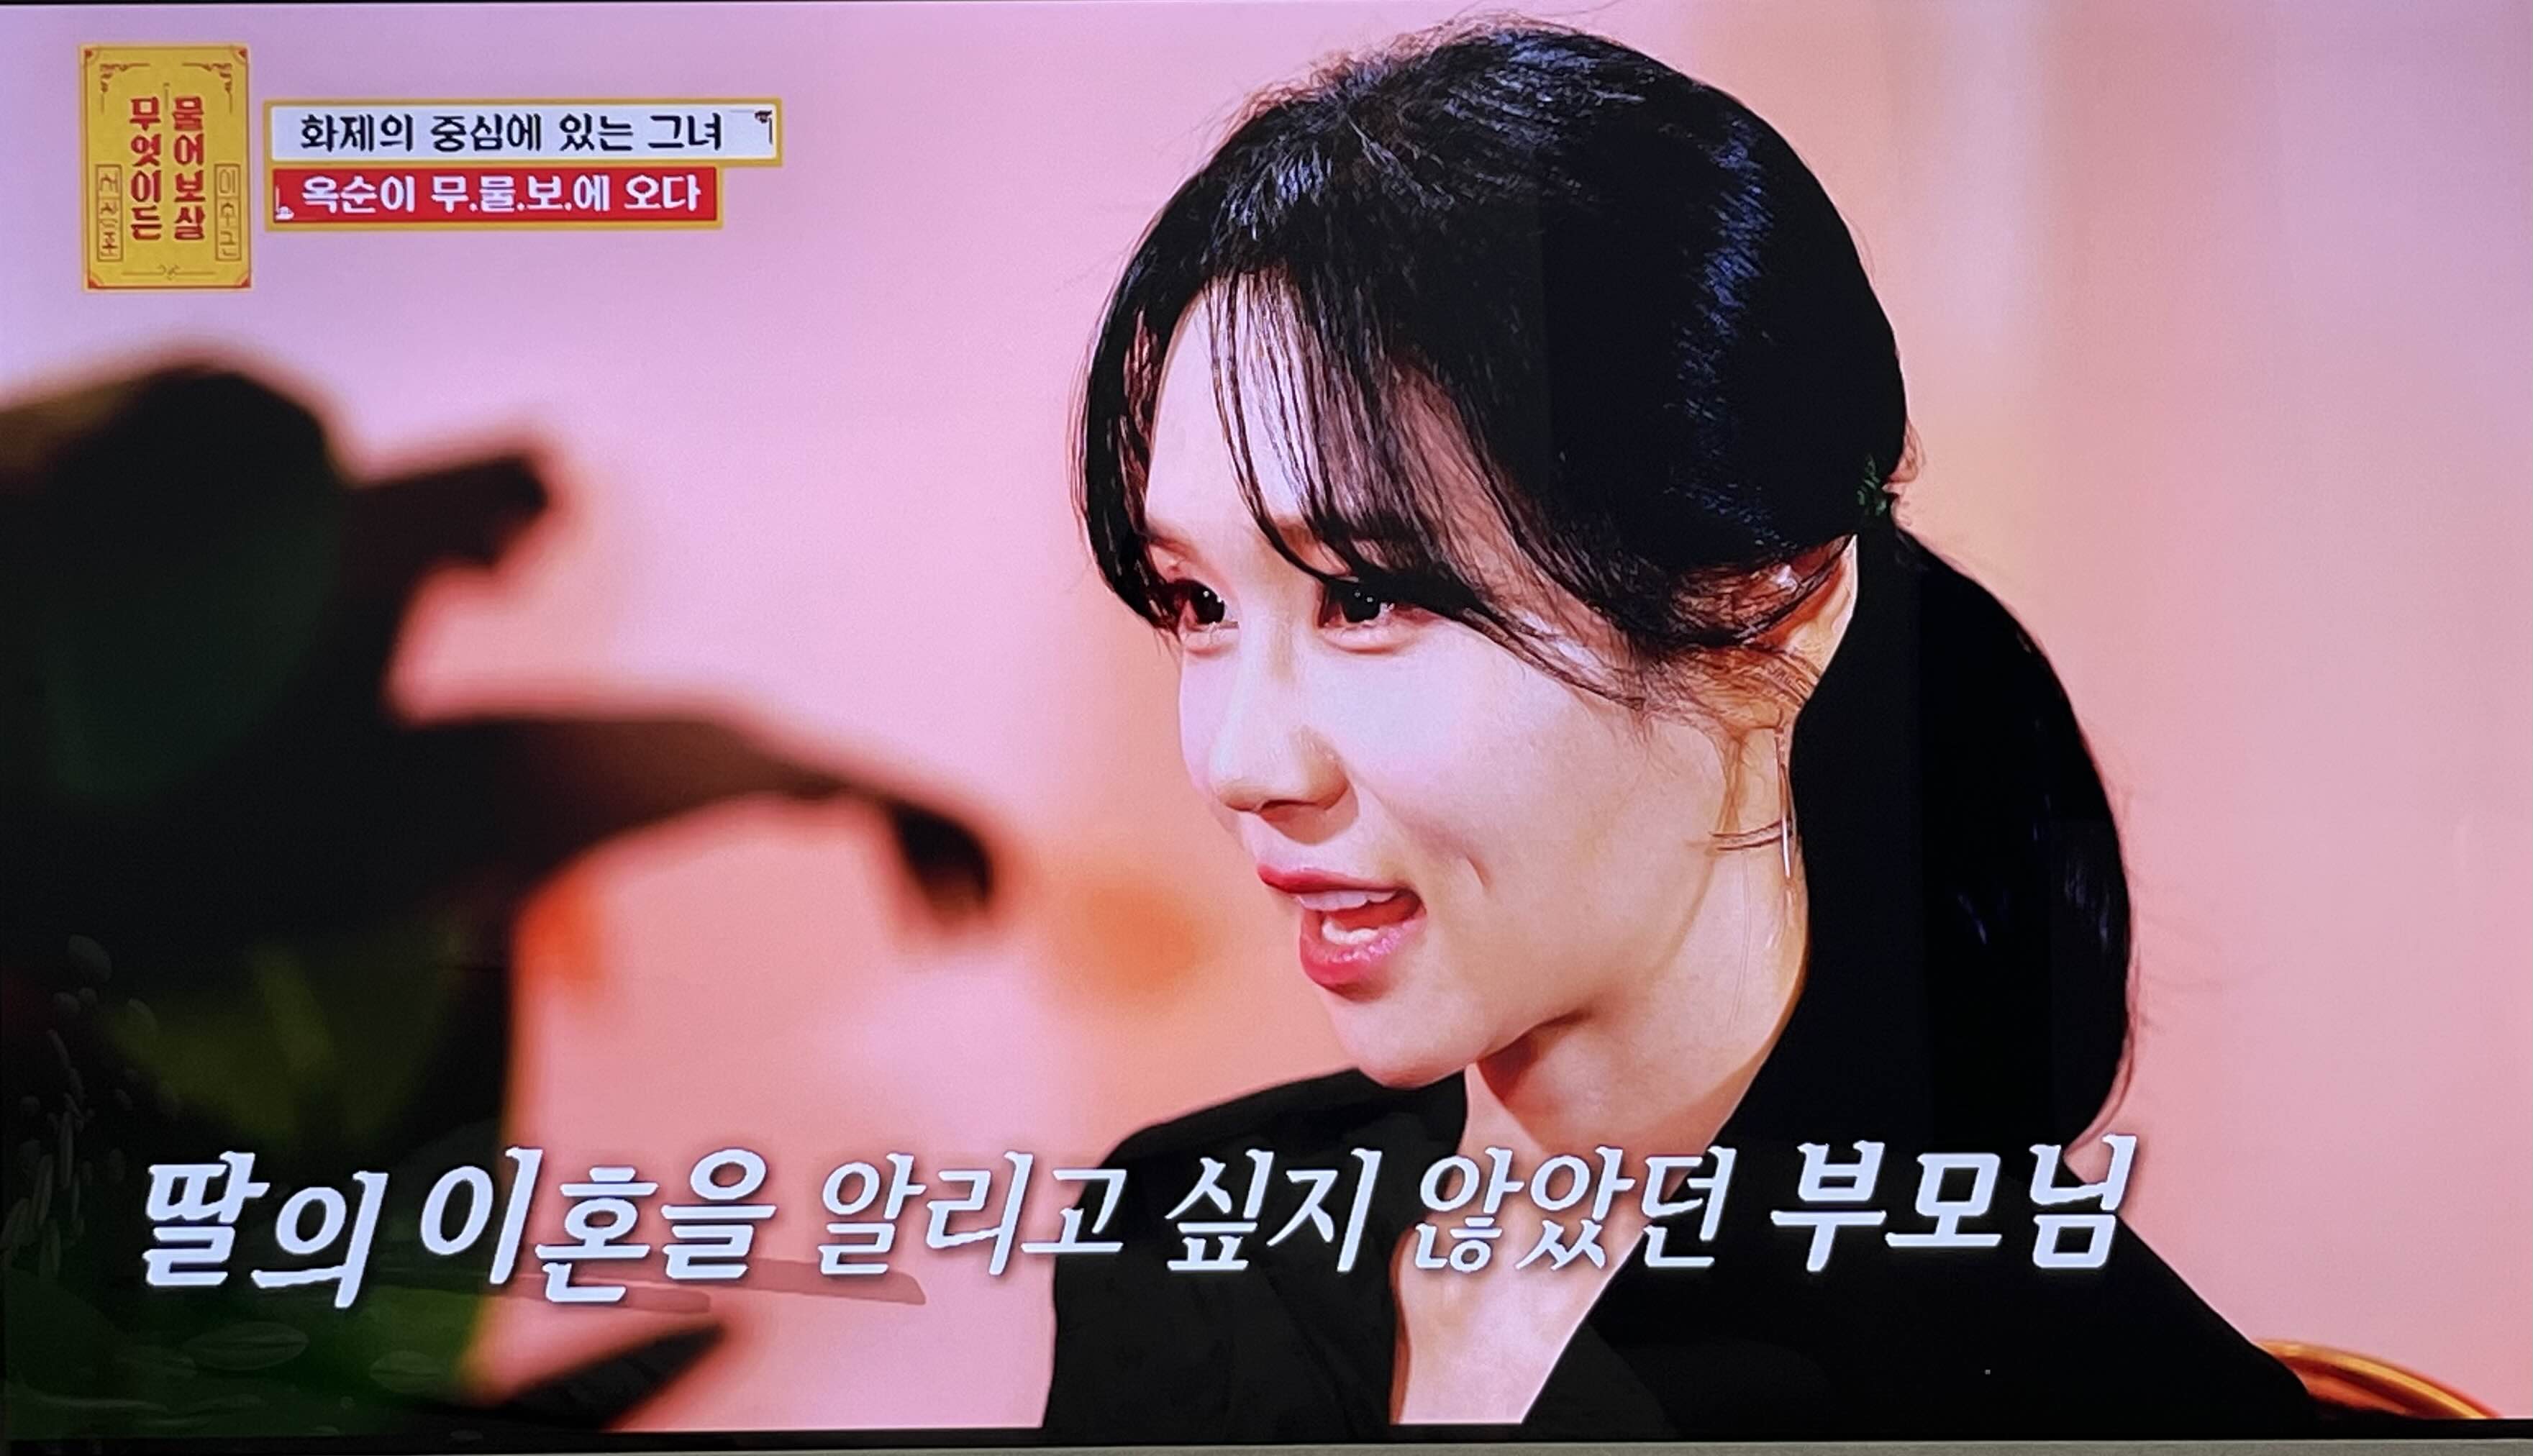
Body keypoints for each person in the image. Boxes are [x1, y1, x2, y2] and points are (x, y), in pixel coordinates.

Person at [1040, 20, 2316, 1442]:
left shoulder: (2062, 1389)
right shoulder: (1186, 1236)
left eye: (1368, 596)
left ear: (1765, 598)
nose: (1241, 764)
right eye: (1199, 603)